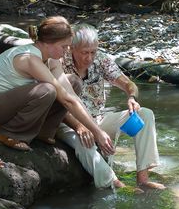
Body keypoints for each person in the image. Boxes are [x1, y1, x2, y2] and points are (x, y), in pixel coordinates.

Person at [0, 16, 113, 153]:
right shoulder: (30, 59)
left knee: (74, 82)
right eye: (64, 47)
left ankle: (44, 131)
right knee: (48, 90)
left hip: (8, 104)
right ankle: (9, 134)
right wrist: (97, 132)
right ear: (48, 43)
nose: (66, 52)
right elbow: (65, 99)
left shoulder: (52, 60)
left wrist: (94, 128)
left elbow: (71, 96)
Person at [58, 23, 165, 190]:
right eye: (84, 52)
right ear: (72, 48)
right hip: (70, 122)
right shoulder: (59, 62)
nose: (89, 57)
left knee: (145, 114)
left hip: (98, 119)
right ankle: (114, 183)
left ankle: (143, 178)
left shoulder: (101, 60)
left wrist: (131, 97)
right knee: (84, 142)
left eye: (93, 52)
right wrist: (79, 126)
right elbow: (57, 102)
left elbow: (129, 84)